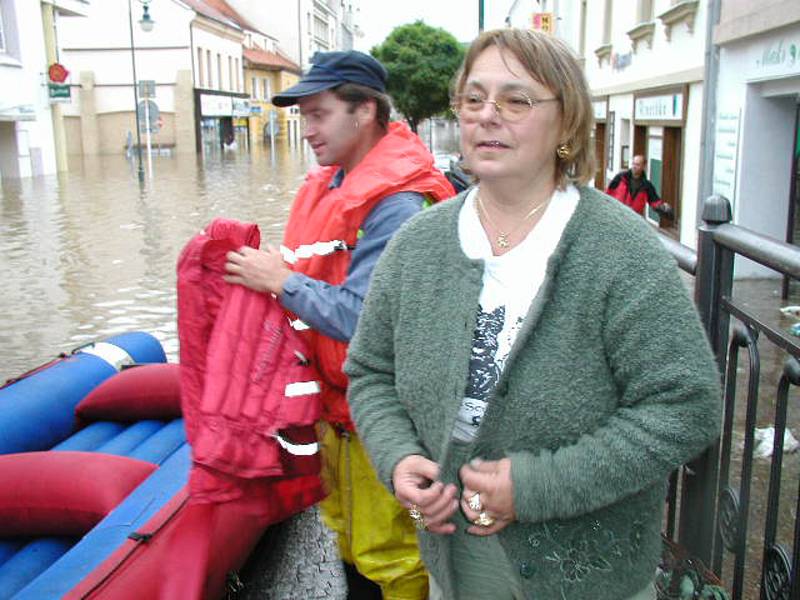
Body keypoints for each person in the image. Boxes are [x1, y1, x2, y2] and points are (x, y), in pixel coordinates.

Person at [344, 29, 720, 600]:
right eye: (473, 99)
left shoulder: (620, 249)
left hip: (588, 569)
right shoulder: (416, 245)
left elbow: (685, 405)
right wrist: (399, 458)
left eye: (515, 101)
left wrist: (539, 486)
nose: (487, 116)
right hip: (452, 552)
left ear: (566, 123)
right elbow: (370, 372)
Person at [223, 50, 455, 599]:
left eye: (319, 113)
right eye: (303, 116)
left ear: (366, 111)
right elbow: (325, 271)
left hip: (386, 416)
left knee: (393, 556)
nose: (307, 129)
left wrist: (280, 281)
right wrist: (283, 272)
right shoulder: (332, 183)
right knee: (350, 542)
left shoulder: (399, 201)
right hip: (337, 409)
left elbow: (366, 317)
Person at [606, 154, 673, 218]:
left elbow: (654, 201)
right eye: (633, 164)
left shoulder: (647, 186)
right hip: (616, 215)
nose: (634, 167)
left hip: (634, 219)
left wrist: (663, 207)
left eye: (637, 164)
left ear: (644, 166)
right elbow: (608, 193)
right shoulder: (620, 177)